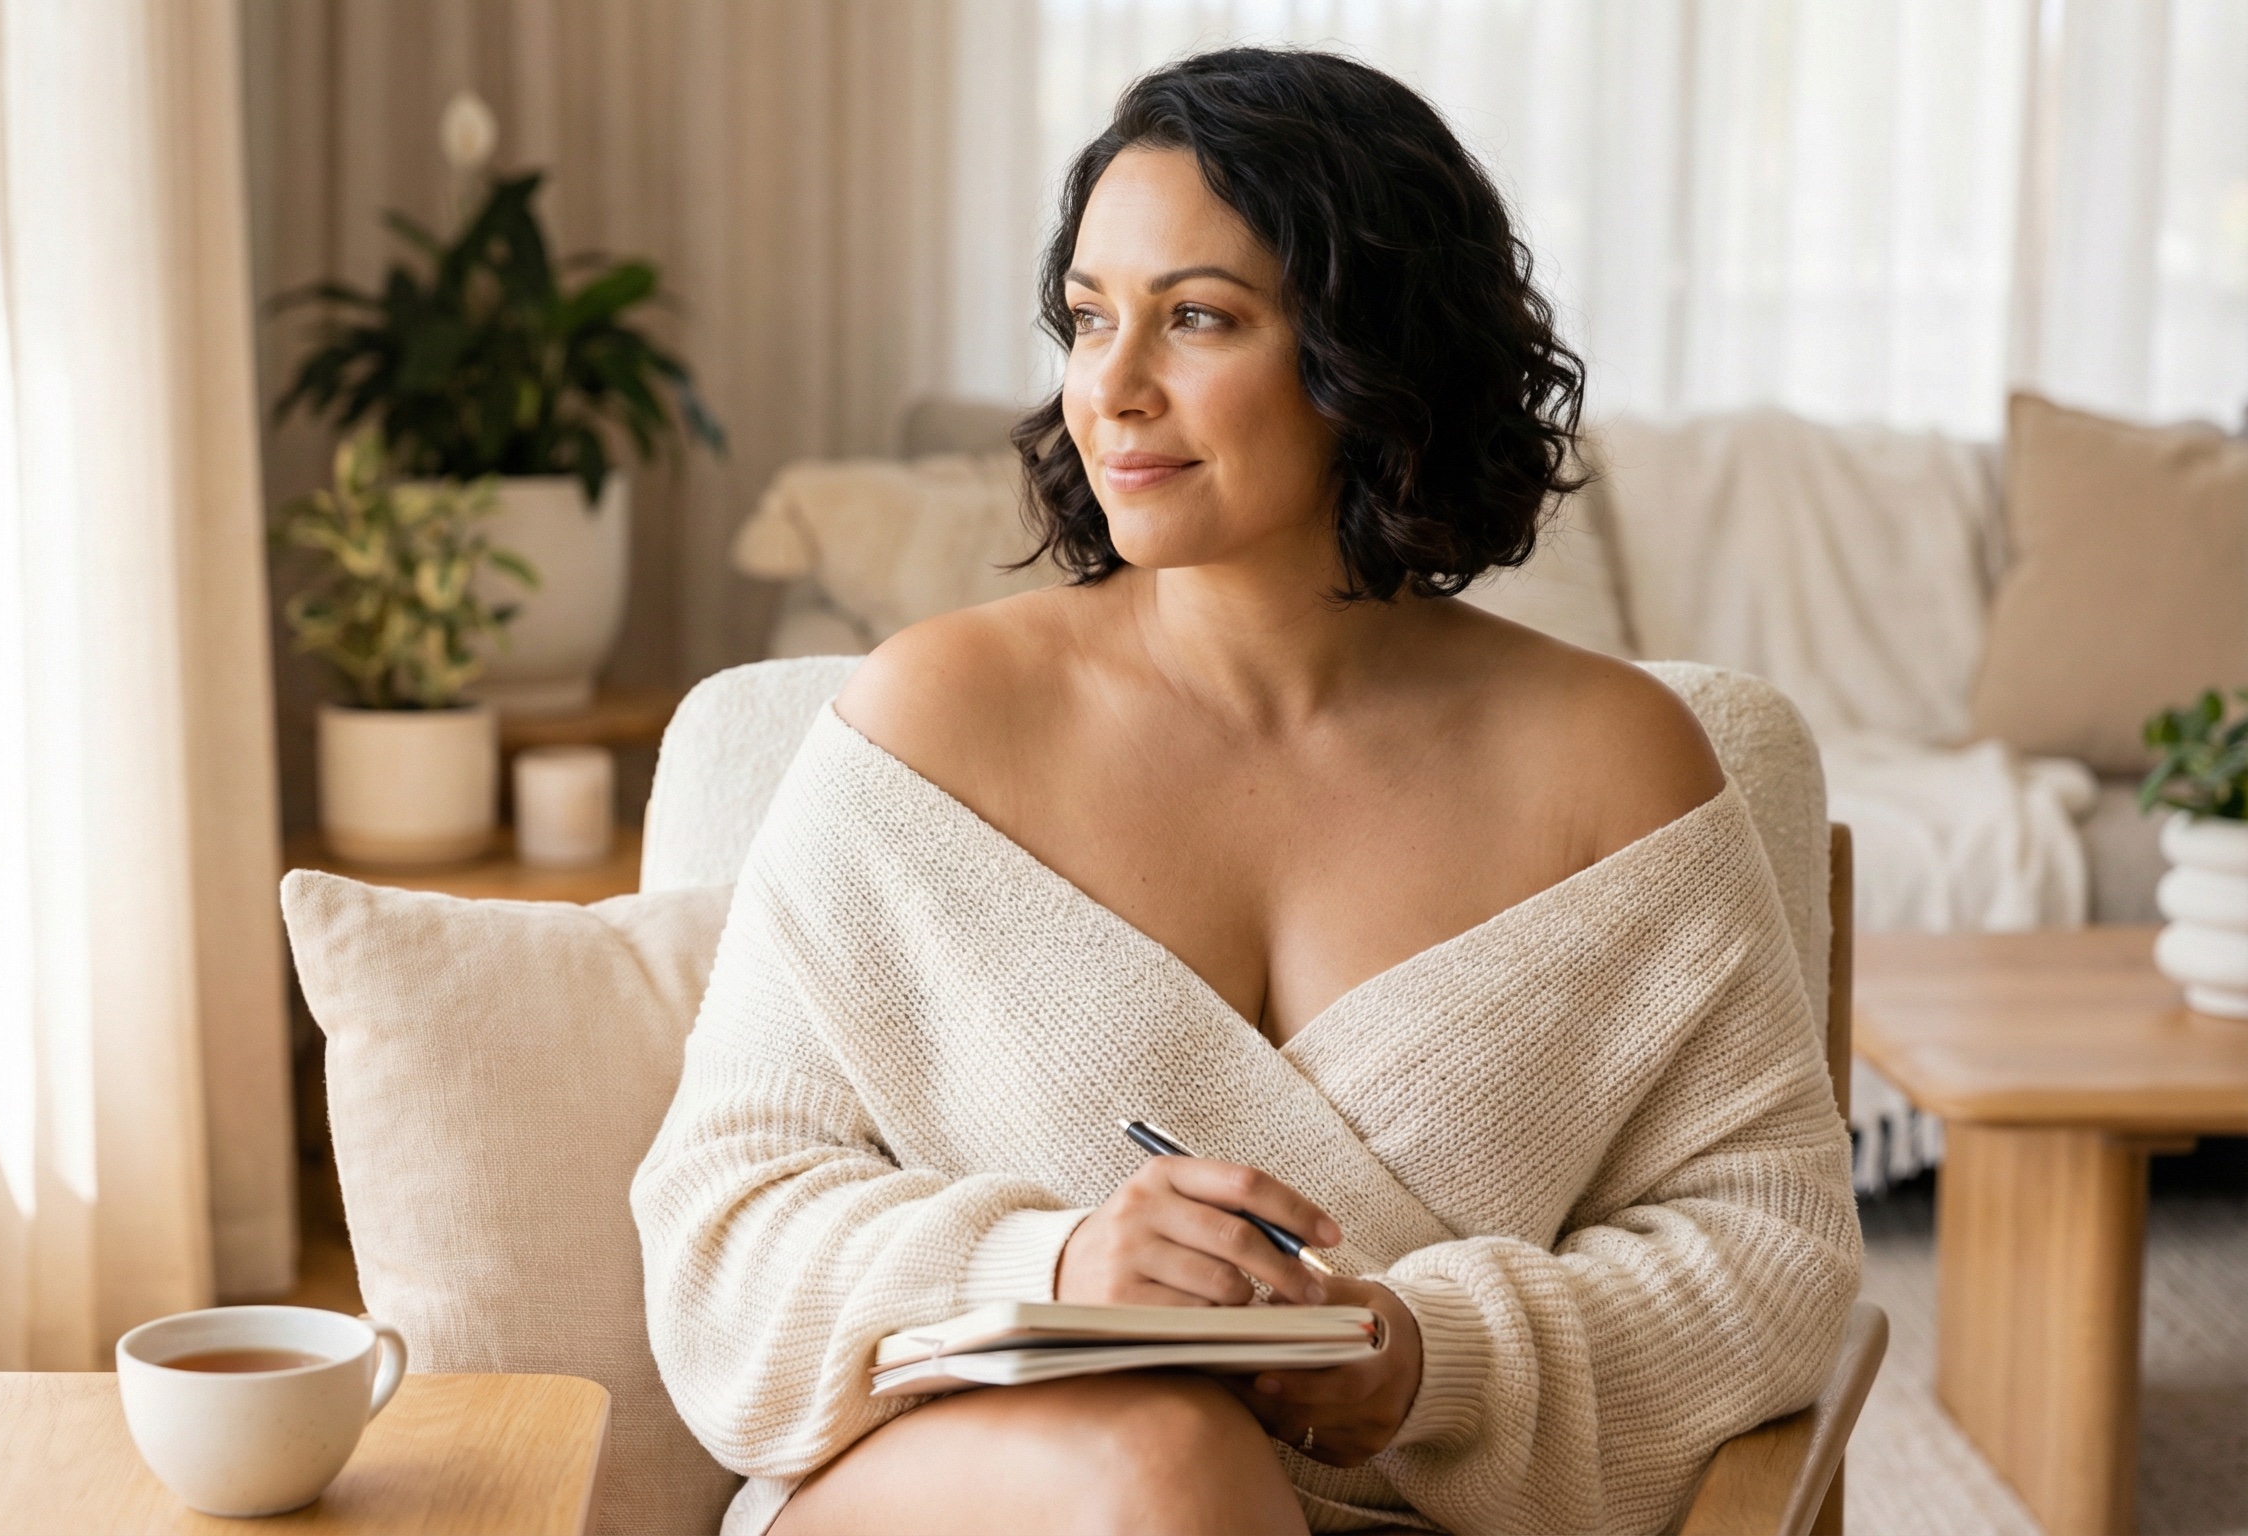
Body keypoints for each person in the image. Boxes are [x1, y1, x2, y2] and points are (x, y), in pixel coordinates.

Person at [634, 47, 1861, 1536]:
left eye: (1197, 318)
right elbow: (722, 1223)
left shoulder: (1619, 771)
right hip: (967, 1498)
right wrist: (1058, 1267)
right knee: (1165, 1463)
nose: (1114, 389)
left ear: (1372, 353)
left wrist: (1433, 1362)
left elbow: (1774, 1256)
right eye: (1089, 321)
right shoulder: (930, 722)